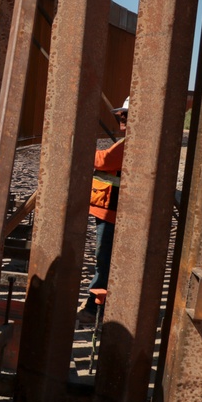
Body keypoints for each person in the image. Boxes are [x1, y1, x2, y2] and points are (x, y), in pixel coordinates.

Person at [78, 96, 128, 325]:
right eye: (120, 115)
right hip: (110, 212)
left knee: (104, 260)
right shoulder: (127, 141)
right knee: (105, 260)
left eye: (125, 115)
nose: (121, 119)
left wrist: (84, 149)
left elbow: (105, 160)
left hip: (111, 214)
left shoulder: (129, 143)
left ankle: (93, 309)